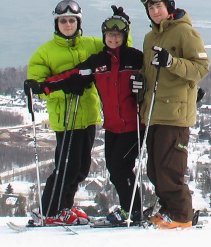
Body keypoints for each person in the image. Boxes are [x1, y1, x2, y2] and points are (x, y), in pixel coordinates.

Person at [27, 12, 144, 224]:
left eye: (118, 34)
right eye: (109, 34)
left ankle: (133, 211)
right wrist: (43, 86)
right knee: (75, 167)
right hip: (95, 123)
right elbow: (72, 75)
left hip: (126, 123)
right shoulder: (98, 59)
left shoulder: (134, 58)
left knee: (110, 167)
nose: (113, 38)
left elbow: (156, 76)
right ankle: (54, 211)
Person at [131, 0, 210, 229]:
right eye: (151, 8)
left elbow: (201, 68)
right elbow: (149, 71)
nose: (155, 11)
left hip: (175, 114)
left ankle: (181, 215)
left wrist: (172, 62)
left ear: (169, 7)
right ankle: (167, 209)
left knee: (169, 169)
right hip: (153, 111)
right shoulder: (150, 37)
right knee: (155, 170)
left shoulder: (185, 33)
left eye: (159, 6)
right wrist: (139, 80)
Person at [24, 0, 103, 225]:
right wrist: (65, 88)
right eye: (63, 21)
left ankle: (64, 208)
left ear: (78, 23)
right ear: (56, 24)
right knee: (66, 168)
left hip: (87, 115)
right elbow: (39, 89)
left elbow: (116, 44)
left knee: (80, 169)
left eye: (71, 20)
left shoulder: (90, 45)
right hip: (66, 118)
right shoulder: (45, 53)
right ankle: (50, 210)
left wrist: (121, 26)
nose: (67, 25)